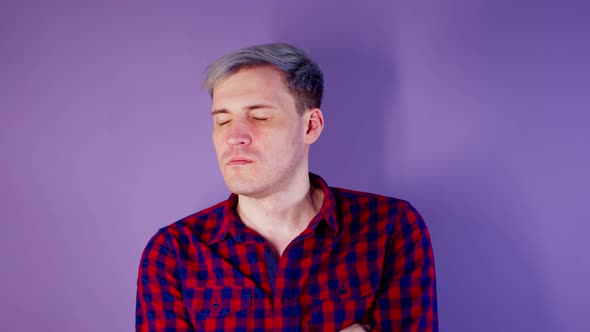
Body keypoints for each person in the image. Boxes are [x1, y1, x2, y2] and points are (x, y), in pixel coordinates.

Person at [136, 43, 438, 331]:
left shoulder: (390, 228)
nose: (234, 137)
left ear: (310, 126)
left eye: (259, 117)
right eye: (223, 120)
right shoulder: (173, 254)